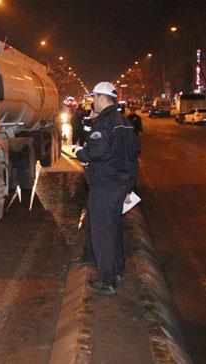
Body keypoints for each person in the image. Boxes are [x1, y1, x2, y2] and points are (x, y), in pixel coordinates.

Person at [76, 82, 140, 296]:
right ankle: (117, 269)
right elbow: (133, 157)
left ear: (102, 98)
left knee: (103, 233)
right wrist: (129, 186)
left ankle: (108, 280)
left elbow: (97, 153)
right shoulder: (125, 123)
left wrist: (80, 153)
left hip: (104, 185)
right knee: (114, 230)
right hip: (120, 184)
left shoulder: (104, 123)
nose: (93, 101)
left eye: (95, 97)